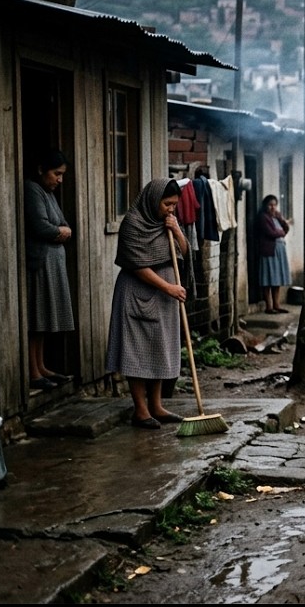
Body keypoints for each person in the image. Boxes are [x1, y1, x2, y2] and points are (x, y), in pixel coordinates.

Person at [105, 177, 188, 430]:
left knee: (160, 347)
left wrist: (176, 230)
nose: (171, 209)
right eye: (167, 204)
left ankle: (157, 405)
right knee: (137, 351)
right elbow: (138, 266)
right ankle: (140, 411)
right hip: (137, 292)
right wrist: (169, 287)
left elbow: (184, 252)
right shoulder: (134, 223)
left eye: (174, 204)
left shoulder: (166, 223)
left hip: (165, 296)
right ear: (154, 200)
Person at [24, 149, 75, 390]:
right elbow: (42, 227)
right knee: (36, 317)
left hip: (52, 262)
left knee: (44, 317)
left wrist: (61, 230)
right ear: (41, 170)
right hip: (41, 262)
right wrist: (60, 232)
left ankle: (41, 365)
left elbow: (63, 224)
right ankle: (33, 371)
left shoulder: (48, 193)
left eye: (62, 174)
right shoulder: (32, 189)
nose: (60, 179)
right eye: (57, 173)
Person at [254, 194, 292, 314]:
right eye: (270, 205)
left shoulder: (276, 216)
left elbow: (286, 228)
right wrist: (280, 232)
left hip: (279, 250)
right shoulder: (263, 217)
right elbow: (271, 233)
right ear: (265, 205)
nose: (273, 207)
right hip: (269, 250)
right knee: (268, 278)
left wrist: (280, 219)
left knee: (277, 279)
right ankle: (269, 306)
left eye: (275, 205)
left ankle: (277, 305)